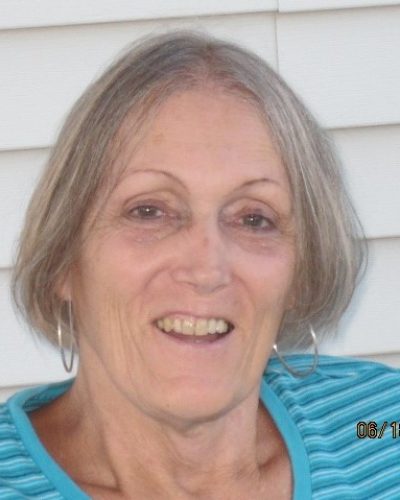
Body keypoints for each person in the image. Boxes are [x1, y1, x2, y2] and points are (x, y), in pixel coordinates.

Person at [1, 30, 399, 500]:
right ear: (64, 258)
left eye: (254, 219)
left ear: (301, 271)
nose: (207, 269)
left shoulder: (378, 424)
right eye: (149, 211)